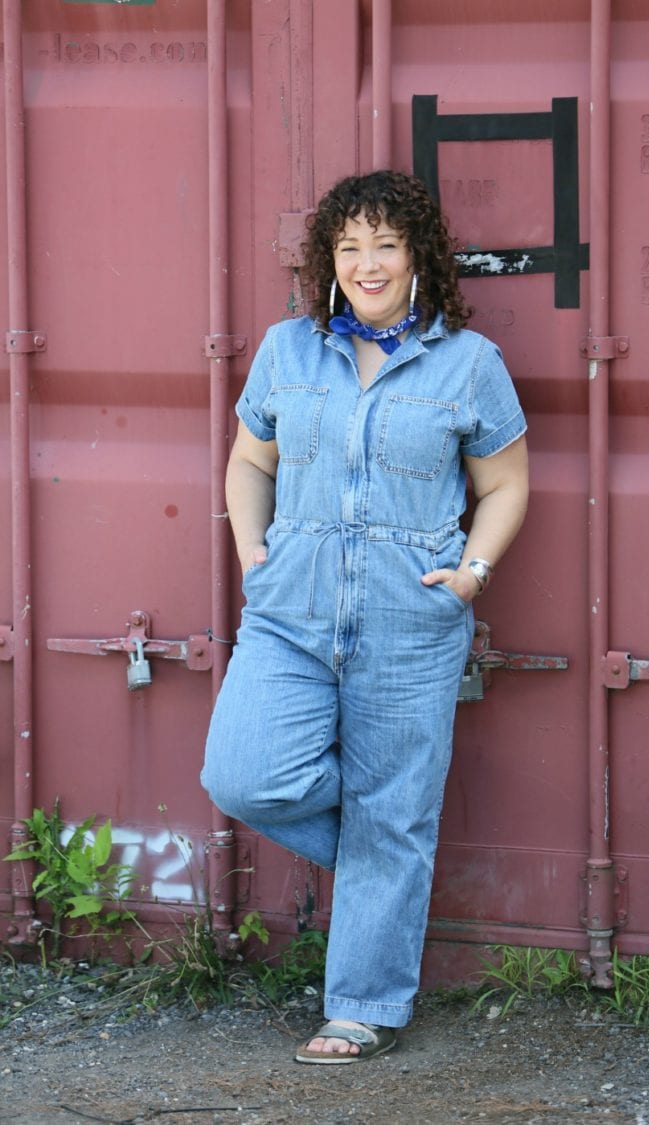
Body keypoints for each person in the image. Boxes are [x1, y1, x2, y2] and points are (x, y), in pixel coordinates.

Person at [201, 169, 529, 1064]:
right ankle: (387, 847)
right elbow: (248, 462)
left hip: (411, 619)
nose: (368, 263)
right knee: (244, 774)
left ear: (418, 254)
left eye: (385, 244)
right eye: (350, 247)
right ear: (329, 260)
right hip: (290, 611)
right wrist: (252, 550)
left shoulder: (468, 363)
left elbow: (505, 483)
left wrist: (471, 575)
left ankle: (362, 1005)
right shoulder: (287, 351)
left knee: (396, 814)